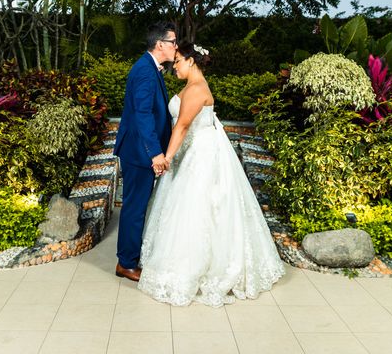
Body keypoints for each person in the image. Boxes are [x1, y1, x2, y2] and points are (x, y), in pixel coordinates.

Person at [137, 42, 285, 307]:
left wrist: (166, 158)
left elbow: (182, 127)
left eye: (179, 61)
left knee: (197, 208)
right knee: (186, 207)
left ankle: (197, 265)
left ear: (192, 61)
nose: (175, 66)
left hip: (200, 154)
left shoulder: (196, 90)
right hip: (192, 150)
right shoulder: (190, 87)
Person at [113, 22, 177, 282]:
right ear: (160, 44)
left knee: (137, 206)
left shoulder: (150, 68)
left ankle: (129, 257)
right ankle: (126, 263)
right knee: (134, 207)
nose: (176, 46)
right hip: (139, 152)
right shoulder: (145, 72)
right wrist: (155, 153)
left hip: (141, 150)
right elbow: (142, 115)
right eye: (173, 42)